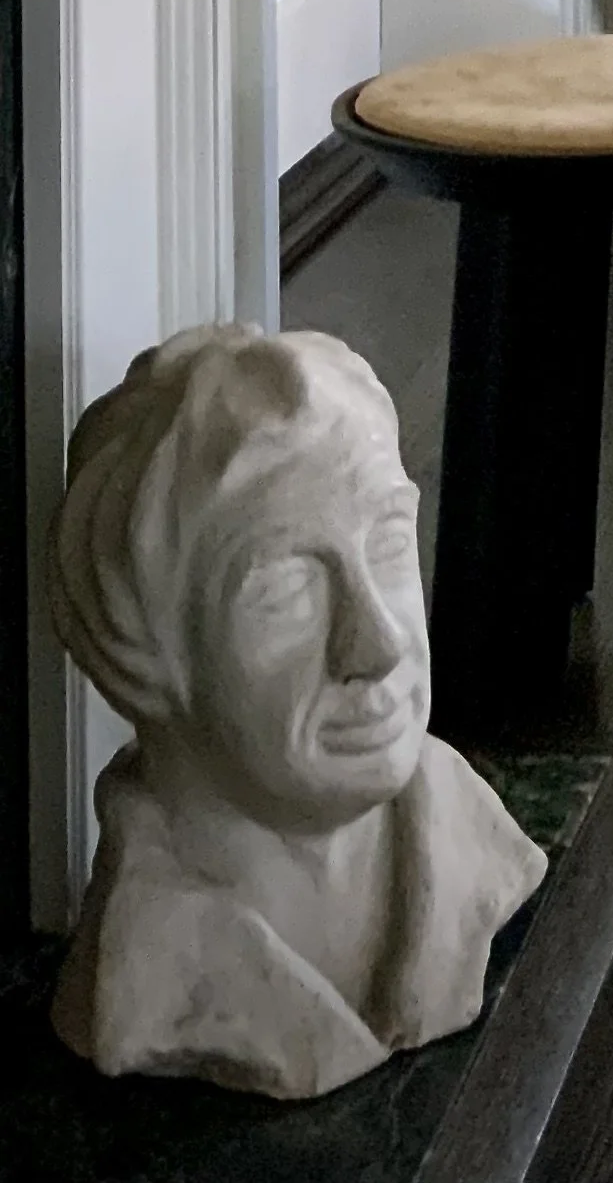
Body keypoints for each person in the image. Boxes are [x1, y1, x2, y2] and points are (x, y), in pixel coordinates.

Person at [47, 323, 547, 1098]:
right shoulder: (144, 974)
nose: (378, 644)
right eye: (285, 589)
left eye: (387, 544)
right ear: (138, 653)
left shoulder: (475, 850)